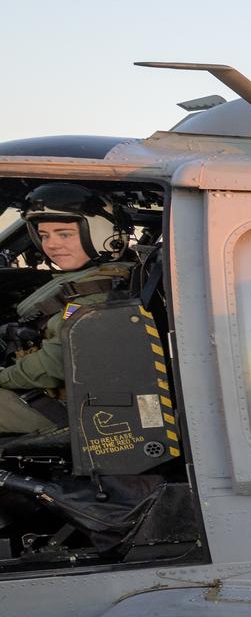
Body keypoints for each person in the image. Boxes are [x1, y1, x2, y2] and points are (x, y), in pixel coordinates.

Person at [0, 183, 133, 434]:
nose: (51, 245)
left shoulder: (97, 298)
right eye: (44, 235)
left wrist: (4, 377)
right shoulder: (85, 282)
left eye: (64, 234)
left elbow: (52, 367)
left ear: (100, 233)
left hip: (60, 409)